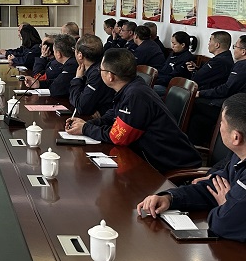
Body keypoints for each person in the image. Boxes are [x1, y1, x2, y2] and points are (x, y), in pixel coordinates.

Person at [65, 48, 201, 173]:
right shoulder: (130, 86)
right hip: (148, 157)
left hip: (169, 166)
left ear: (110, 76)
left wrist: (85, 129)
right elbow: (113, 115)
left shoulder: (135, 95)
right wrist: (88, 124)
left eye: (101, 70)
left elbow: (118, 137)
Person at [137, 93, 246, 242]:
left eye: (222, 123)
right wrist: (170, 198)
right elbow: (214, 186)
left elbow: (223, 224)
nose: (219, 126)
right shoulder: (238, 156)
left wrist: (226, 205)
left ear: (236, 137)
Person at [187, 35, 246, 146]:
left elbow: (226, 89)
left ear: (243, 52)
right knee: (197, 119)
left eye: (236, 47)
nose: (234, 49)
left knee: (189, 103)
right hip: (230, 104)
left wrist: (201, 93)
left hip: (232, 108)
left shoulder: (242, 67)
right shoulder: (239, 65)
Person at [69, 34, 114, 117]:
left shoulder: (97, 74)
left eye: (74, 50)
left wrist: (77, 79)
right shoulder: (92, 70)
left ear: (80, 55)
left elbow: (81, 106)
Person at [153, 31, 197, 96]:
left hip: (172, 87)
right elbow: (163, 68)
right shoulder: (173, 54)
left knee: (147, 89)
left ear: (183, 45)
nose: (172, 46)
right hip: (162, 81)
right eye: (172, 43)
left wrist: (155, 81)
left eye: (174, 44)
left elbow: (174, 77)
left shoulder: (187, 58)